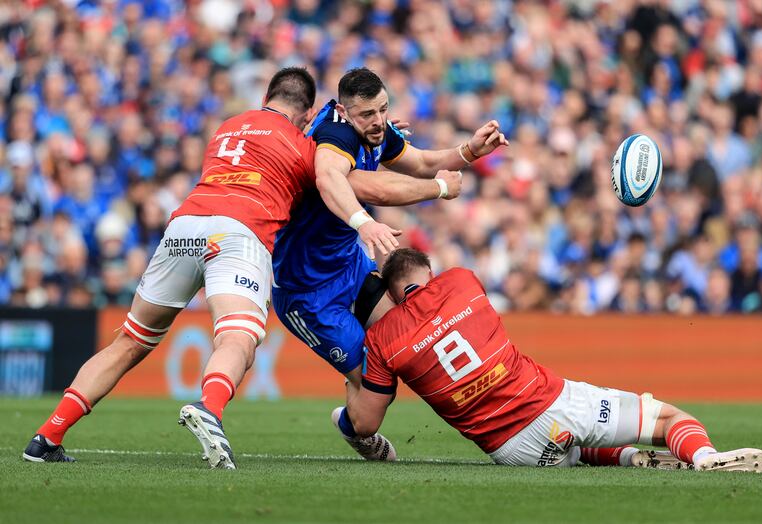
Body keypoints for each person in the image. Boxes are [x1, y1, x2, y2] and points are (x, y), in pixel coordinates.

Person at [21, 67, 456, 468]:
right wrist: (429, 187)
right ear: (308, 115)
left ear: (267, 97)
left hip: (185, 224)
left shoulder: (227, 128)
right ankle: (210, 410)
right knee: (238, 338)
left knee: (131, 341)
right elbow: (352, 182)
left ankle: (46, 437)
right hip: (239, 232)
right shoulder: (306, 145)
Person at [342, 248, 762, 472]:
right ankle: (703, 459)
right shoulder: (461, 282)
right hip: (550, 402)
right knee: (665, 420)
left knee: (579, 449)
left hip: (510, 449)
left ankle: (626, 459)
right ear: (429, 275)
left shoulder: (383, 339)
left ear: (393, 294)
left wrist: (349, 378)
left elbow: (366, 423)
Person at [271, 68, 507, 460]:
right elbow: (338, 180)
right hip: (307, 292)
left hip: (348, 267)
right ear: (346, 113)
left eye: (383, 109)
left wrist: (469, 152)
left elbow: (418, 161)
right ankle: (354, 426)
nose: (378, 120)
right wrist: (429, 193)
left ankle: (363, 405)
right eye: (367, 114)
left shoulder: (373, 129)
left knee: (403, 343)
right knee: (374, 396)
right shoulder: (335, 136)